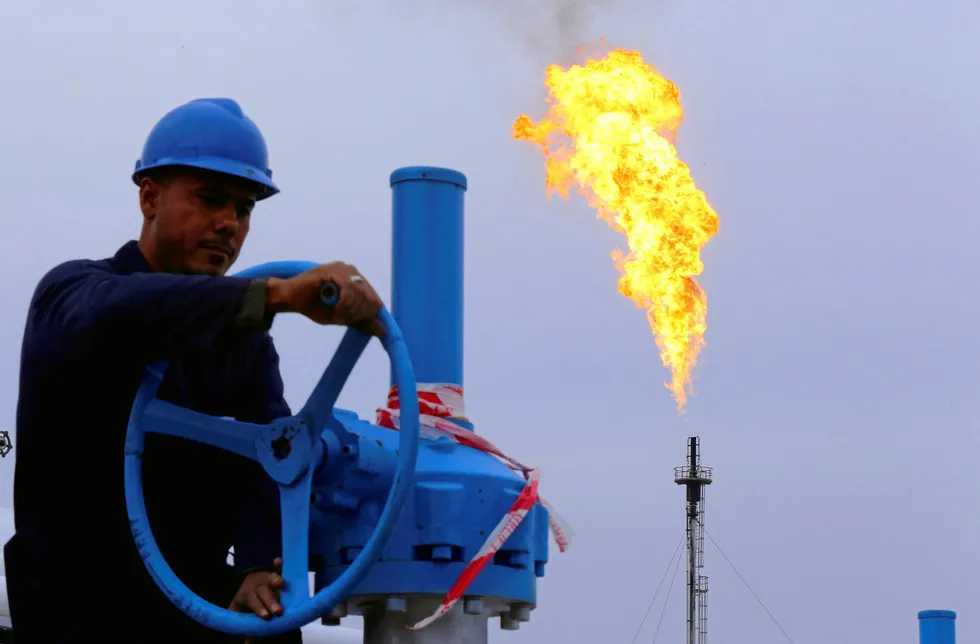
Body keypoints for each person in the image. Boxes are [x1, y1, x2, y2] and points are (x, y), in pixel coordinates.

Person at [3, 97, 385, 643]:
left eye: (245, 208)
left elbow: (271, 450)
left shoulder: (242, 346)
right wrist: (273, 295)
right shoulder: (72, 295)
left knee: (275, 631)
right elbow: (118, 312)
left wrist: (258, 563)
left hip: (187, 608)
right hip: (78, 607)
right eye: (210, 199)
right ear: (149, 197)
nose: (229, 224)